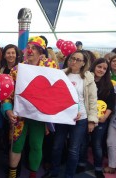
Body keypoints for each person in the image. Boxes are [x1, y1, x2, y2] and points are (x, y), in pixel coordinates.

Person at [2, 36, 58, 178]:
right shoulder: (16, 69)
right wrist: (7, 110)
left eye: (35, 48)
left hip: (39, 115)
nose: (30, 51)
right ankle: (12, 175)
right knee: (16, 145)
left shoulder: (50, 66)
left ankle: (33, 174)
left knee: (36, 145)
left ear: (41, 51)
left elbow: (57, 90)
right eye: (29, 48)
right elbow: (8, 94)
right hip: (19, 115)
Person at [42, 50, 98, 178]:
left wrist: (91, 120)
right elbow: (54, 95)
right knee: (57, 146)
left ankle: (69, 175)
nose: (74, 61)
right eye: (73, 58)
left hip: (81, 119)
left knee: (73, 149)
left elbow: (92, 101)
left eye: (78, 60)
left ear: (84, 63)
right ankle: (54, 172)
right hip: (63, 117)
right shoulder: (61, 74)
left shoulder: (88, 78)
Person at [77, 58, 115, 178]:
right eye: (99, 67)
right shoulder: (85, 79)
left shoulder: (108, 84)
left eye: (104, 68)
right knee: (83, 143)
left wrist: (105, 117)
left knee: (97, 144)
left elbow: (111, 103)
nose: (101, 70)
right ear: (94, 66)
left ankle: (98, 167)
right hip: (84, 117)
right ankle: (81, 163)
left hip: (100, 120)